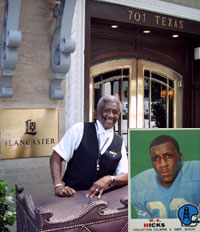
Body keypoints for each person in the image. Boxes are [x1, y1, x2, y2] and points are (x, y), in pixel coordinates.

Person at [50, 95, 128, 199]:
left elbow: (126, 175)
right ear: (98, 112)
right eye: (107, 110)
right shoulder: (79, 129)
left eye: (115, 112)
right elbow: (56, 156)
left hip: (101, 200)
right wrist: (58, 185)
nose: (110, 115)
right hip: (73, 196)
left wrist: (109, 179)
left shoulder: (119, 142)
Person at [131, 135, 200, 218]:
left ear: (180, 157)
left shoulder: (196, 173)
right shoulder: (136, 185)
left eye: (168, 156)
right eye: (156, 158)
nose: (163, 164)